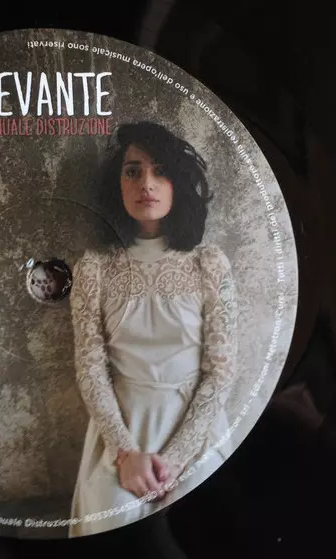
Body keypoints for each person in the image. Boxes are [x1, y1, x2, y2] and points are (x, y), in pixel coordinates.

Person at [68, 121, 238, 537]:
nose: (146, 183)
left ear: (178, 183)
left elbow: (221, 371)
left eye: (160, 171)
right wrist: (125, 453)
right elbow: (90, 368)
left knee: (201, 529)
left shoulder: (208, 263)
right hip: (120, 431)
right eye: (133, 171)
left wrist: (177, 458)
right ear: (118, 185)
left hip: (194, 432)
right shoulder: (94, 267)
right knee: (110, 521)